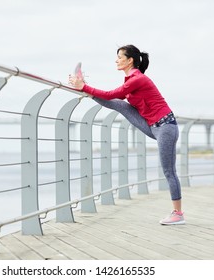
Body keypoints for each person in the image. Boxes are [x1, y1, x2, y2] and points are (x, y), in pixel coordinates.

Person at [68, 44, 184, 225]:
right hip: (152, 125)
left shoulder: (137, 79)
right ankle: (82, 87)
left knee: (169, 171)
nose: (116, 60)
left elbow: (112, 94)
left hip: (166, 127)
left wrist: (84, 86)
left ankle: (178, 214)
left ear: (130, 60)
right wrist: (85, 88)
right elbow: (116, 99)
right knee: (120, 105)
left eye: (120, 57)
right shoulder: (130, 79)